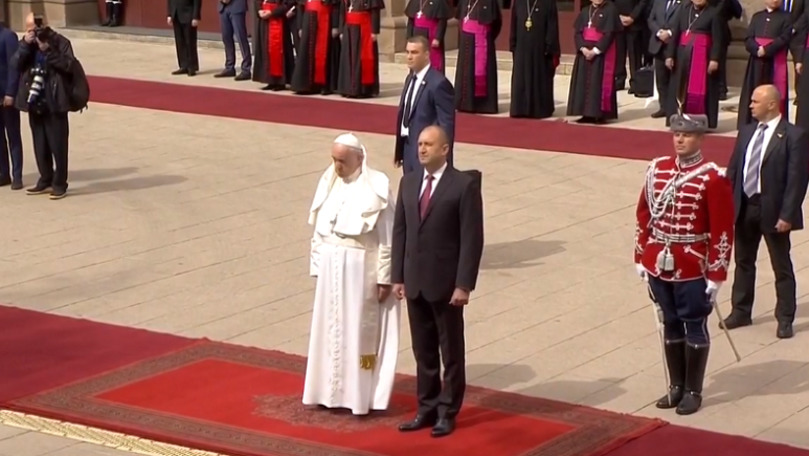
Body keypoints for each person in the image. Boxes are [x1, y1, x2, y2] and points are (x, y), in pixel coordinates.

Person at [634, 113, 735, 416]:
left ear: (701, 138)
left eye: (687, 135)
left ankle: (693, 390)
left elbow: (722, 229)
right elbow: (643, 215)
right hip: (658, 262)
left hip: (692, 264)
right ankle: (676, 386)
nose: (679, 140)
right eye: (676, 134)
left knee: (694, 323)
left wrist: (716, 274)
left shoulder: (712, 177)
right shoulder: (657, 169)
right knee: (670, 321)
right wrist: (640, 255)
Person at [392, 125, 484, 437]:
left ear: (445, 149)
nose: (421, 149)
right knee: (423, 351)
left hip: (446, 285)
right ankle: (426, 408)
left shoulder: (463, 185)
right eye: (419, 144)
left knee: (451, 352)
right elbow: (400, 233)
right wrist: (397, 277)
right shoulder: (409, 182)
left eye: (429, 144)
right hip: (415, 280)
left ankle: (448, 411)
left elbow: (472, 238)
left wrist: (464, 283)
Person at [302, 132, 401, 416]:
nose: (337, 166)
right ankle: (326, 391)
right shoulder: (329, 184)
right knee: (328, 330)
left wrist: (384, 277)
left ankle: (357, 396)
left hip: (359, 270)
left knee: (357, 332)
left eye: (342, 161)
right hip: (331, 268)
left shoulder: (376, 187)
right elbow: (319, 231)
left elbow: (387, 237)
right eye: (334, 160)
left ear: (359, 158)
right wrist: (317, 266)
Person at [723, 84, 809, 339]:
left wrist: (787, 214)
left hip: (773, 210)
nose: (750, 105)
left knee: (780, 265)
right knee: (743, 261)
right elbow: (734, 169)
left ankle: (785, 317)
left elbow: (797, 179)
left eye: (755, 101)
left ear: (772, 104)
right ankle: (740, 310)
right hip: (746, 206)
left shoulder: (794, 136)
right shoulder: (747, 131)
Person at [11, 13, 76, 200]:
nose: (34, 32)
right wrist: (24, 44)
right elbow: (15, 63)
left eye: (37, 27)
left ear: (45, 25)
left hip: (55, 102)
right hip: (35, 101)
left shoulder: (61, 42)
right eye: (30, 28)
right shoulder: (27, 46)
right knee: (40, 145)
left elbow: (69, 66)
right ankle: (45, 178)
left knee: (58, 145)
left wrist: (48, 50)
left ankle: (60, 183)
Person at [394, 36, 455, 175]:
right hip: (408, 148)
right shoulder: (410, 79)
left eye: (414, 53)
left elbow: (446, 124)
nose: (409, 57)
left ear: (427, 55)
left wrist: (443, 158)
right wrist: (399, 151)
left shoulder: (438, 83)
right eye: (407, 52)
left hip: (426, 151)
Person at [664, 0, 723, 129]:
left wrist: (714, 59)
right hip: (682, 55)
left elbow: (718, 39)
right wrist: (670, 55)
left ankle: (698, 119)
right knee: (679, 86)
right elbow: (675, 34)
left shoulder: (714, 13)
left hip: (702, 56)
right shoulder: (683, 10)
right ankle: (678, 117)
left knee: (700, 87)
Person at [737, 0, 792, 129]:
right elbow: (748, 38)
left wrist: (766, 50)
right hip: (756, 60)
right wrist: (756, 49)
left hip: (774, 61)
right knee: (753, 88)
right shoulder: (757, 16)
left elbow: (784, 38)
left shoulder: (786, 17)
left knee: (772, 90)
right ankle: (750, 122)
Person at [566, 0, 620, 124]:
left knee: (597, 84)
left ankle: (599, 115)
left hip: (601, 55)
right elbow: (578, 33)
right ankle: (585, 114)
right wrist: (583, 48)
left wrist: (595, 51)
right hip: (584, 54)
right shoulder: (585, 11)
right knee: (583, 83)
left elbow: (609, 35)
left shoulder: (610, 10)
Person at [508, 0, 560, 119]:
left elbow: (552, 26)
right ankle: (519, 109)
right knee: (521, 78)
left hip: (540, 50)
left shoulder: (548, 3)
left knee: (539, 77)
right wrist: (513, 44)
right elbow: (513, 24)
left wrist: (549, 46)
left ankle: (539, 109)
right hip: (521, 48)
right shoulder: (519, 2)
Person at [454, 0, 502, 114]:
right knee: (466, 72)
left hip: (483, 39)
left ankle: (483, 105)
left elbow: (497, 24)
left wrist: (485, 35)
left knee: (483, 71)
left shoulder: (491, 2)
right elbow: (460, 20)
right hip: (467, 42)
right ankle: (465, 103)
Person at [337, 0, 385, 98]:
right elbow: (342, 12)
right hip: (349, 29)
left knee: (361, 60)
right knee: (348, 58)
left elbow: (375, 11)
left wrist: (374, 31)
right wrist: (341, 30)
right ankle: (348, 88)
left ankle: (362, 89)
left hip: (364, 30)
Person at [290, 0, 340, 95]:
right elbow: (300, 6)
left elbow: (336, 6)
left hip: (325, 19)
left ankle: (324, 86)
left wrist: (335, 25)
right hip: (308, 20)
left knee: (325, 53)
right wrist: (300, 25)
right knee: (307, 53)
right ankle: (307, 85)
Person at [647, 0, 683, 119]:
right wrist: (659, 32)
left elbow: (683, 22)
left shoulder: (684, 3)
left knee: (674, 80)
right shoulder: (659, 2)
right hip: (659, 45)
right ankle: (663, 107)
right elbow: (651, 19)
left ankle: (674, 108)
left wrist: (670, 33)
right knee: (661, 80)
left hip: (675, 45)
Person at [252, 0, 295, 91]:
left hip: (278, 20)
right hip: (265, 21)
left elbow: (288, 3)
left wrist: (273, 13)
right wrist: (259, 10)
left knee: (279, 51)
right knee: (266, 50)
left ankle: (280, 82)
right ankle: (270, 80)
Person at [0, 21, 22, 190]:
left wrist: (10, 93)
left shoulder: (8, 36)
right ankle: (3, 173)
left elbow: (14, 67)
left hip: (7, 97)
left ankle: (17, 175)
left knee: (13, 136)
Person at [404, 0, 451, 73]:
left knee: (433, 61)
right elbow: (410, 21)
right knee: (416, 60)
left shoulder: (439, 2)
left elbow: (442, 22)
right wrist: (409, 38)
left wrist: (438, 38)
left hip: (431, 37)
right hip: (417, 35)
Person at [613, 0, 649, 94]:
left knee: (635, 55)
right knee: (619, 54)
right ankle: (619, 80)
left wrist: (633, 17)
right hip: (618, 22)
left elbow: (643, 2)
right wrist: (618, 16)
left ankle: (636, 83)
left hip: (635, 22)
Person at [216, 0, 252, 81]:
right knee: (226, 37)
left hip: (237, 5)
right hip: (223, 7)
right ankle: (229, 67)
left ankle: (246, 69)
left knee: (241, 38)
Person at [168, 0, 202, 77]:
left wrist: (196, 16)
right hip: (176, 14)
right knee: (179, 42)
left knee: (190, 42)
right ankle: (183, 65)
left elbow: (197, 1)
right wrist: (169, 14)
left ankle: (192, 67)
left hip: (188, 15)